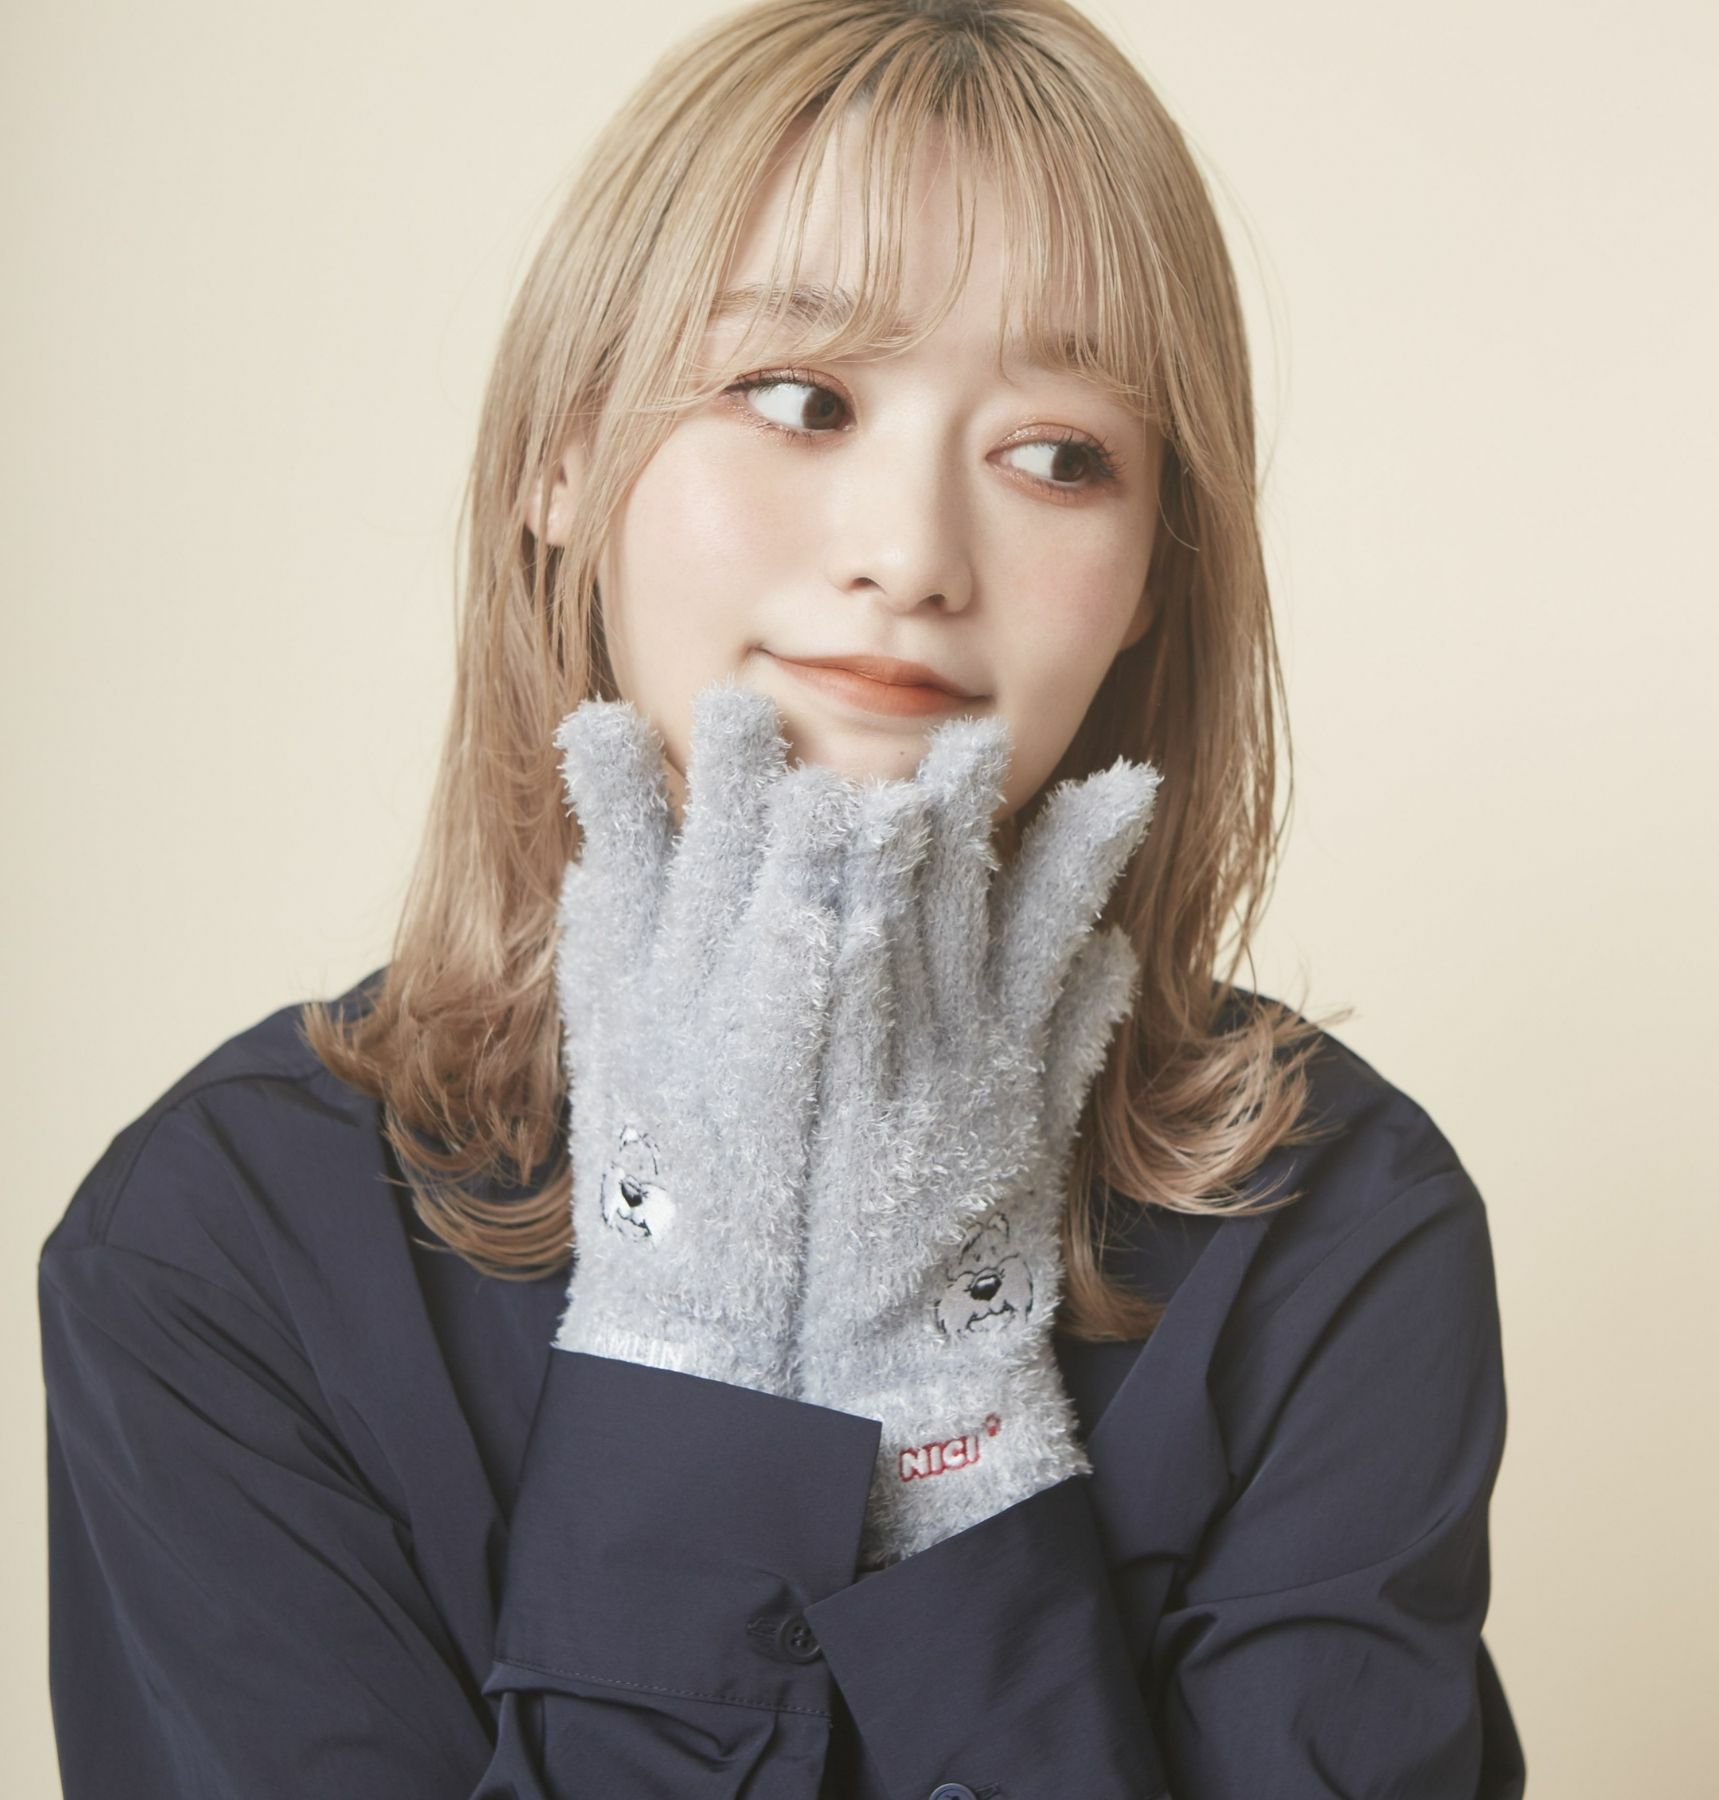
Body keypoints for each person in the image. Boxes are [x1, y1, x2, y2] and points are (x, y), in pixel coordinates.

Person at [37, 1, 1527, 1794]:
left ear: (1150, 575)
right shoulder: (218, 1245)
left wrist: (949, 1403)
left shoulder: (1336, 1222)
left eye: (1061, 453)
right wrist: (695, 1332)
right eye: (799, 398)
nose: (910, 553)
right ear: (563, 456)